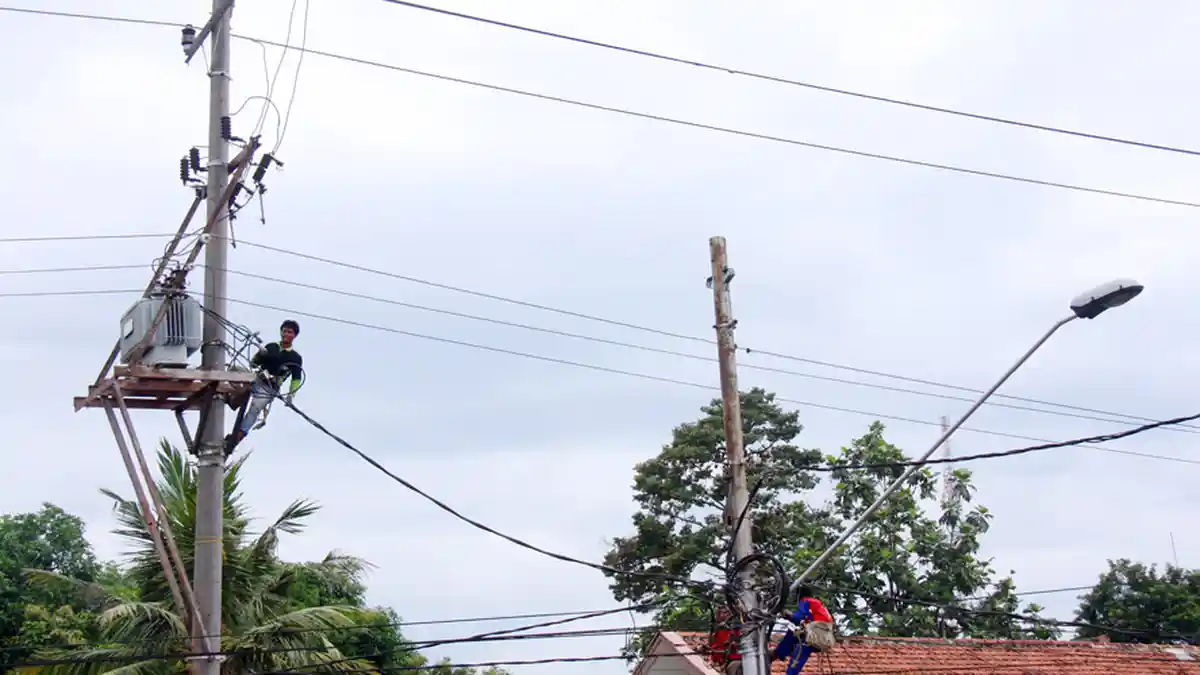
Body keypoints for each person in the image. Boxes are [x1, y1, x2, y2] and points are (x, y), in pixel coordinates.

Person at [225, 319, 303, 454]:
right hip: (257, 378)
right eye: (284, 331)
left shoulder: (295, 357)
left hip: (269, 388)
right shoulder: (271, 347)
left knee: (255, 408)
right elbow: (254, 363)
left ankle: (237, 438)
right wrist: (260, 355)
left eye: (289, 332)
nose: (285, 334)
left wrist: (291, 395)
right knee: (233, 370)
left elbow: (296, 378)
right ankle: (234, 399)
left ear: (294, 335)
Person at [771, 585, 835, 675]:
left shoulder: (806, 601)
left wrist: (788, 615)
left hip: (815, 635)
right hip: (824, 637)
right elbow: (803, 620)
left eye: (794, 594)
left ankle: (779, 654)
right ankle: (779, 653)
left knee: (798, 651)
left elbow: (798, 617)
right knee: (794, 635)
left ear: (799, 595)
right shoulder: (817, 604)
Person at [709, 606, 743, 675]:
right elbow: (715, 650)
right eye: (724, 612)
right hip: (731, 661)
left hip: (747, 658)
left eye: (728, 612)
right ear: (718, 615)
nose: (727, 614)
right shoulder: (718, 631)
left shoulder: (741, 628)